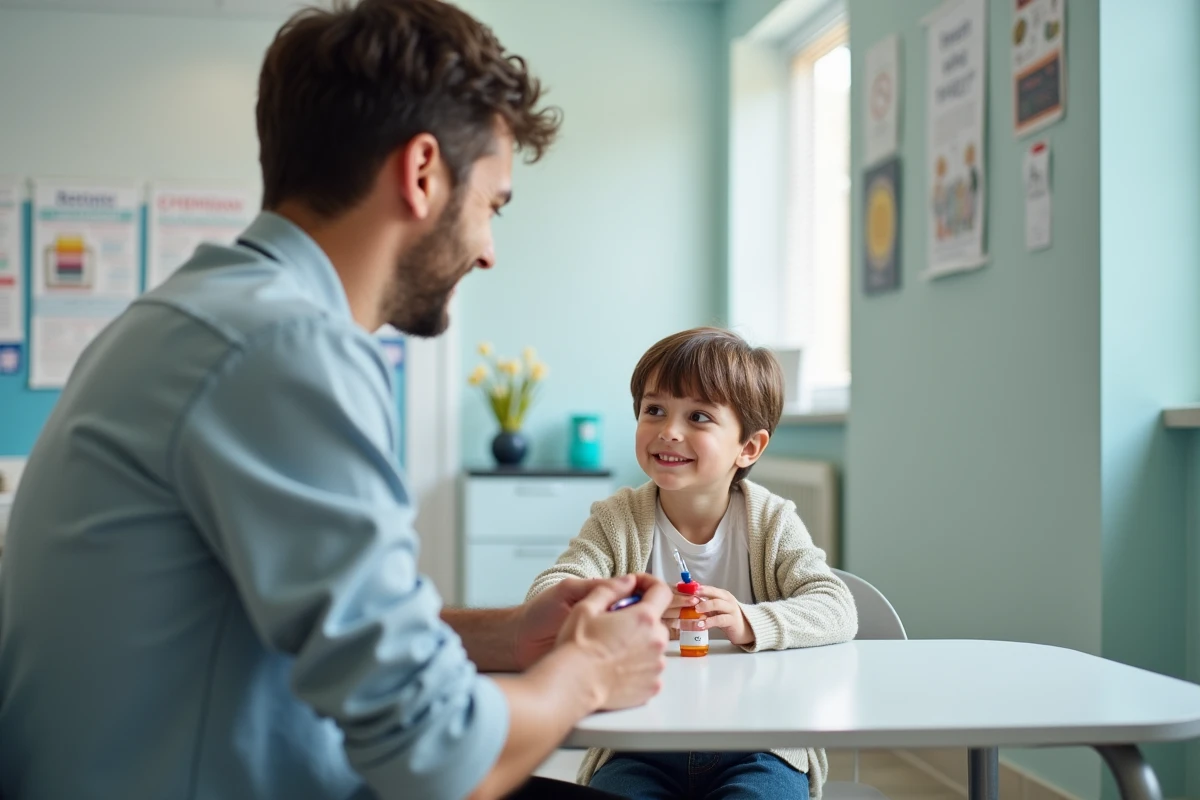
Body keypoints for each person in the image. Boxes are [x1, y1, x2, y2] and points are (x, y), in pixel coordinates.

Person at [0, 2, 671, 799]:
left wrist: (511, 637)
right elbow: (441, 760)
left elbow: (295, 627)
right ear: (422, 173)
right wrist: (590, 669)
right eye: (493, 205)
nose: (489, 250)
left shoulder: (197, 316)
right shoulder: (285, 349)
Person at [527, 327, 859, 799]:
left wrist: (749, 620)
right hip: (638, 743)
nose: (668, 431)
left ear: (749, 447)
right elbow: (548, 593)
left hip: (760, 744)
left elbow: (836, 607)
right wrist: (622, 610)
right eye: (654, 409)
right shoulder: (617, 520)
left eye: (698, 416)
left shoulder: (771, 521)